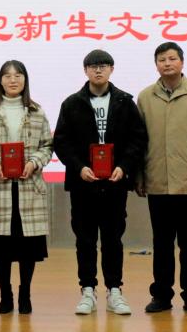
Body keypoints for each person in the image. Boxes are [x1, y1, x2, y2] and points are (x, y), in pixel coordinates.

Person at [53, 49, 147, 316]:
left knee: (113, 238)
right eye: (93, 66)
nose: (98, 70)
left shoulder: (125, 102)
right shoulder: (72, 103)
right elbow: (62, 142)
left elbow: (138, 139)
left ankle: (114, 290)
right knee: (85, 239)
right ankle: (87, 290)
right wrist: (79, 167)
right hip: (83, 184)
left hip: (115, 184)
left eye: (103, 65)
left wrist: (124, 167)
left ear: (111, 70)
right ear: (85, 70)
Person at [135, 42, 187, 315]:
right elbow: (139, 142)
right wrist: (139, 176)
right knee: (161, 243)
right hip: (157, 182)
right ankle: (161, 296)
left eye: (172, 58)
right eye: (162, 59)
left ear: (182, 62)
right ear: (156, 64)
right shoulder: (145, 97)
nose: (167, 63)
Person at [0, 60, 53, 315]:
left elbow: (48, 146)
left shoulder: (37, 111)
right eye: (7, 76)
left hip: (29, 186)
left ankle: (25, 293)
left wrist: (34, 162)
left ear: (25, 80)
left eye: (18, 75)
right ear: (0, 81)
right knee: (2, 247)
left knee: (28, 248)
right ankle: (5, 294)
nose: (13, 80)